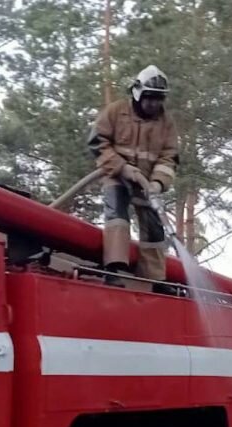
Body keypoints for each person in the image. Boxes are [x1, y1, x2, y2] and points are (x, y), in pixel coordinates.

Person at [87, 65, 179, 291]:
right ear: (138, 93)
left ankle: (155, 279)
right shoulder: (116, 111)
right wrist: (122, 167)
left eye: (158, 99)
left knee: (154, 227)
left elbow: (169, 156)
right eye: (150, 98)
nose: (154, 104)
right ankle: (114, 268)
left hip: (148, 183)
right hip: (117, 175)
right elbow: (97, 142)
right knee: (117, 216)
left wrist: (157, 182)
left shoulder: (166, 123)